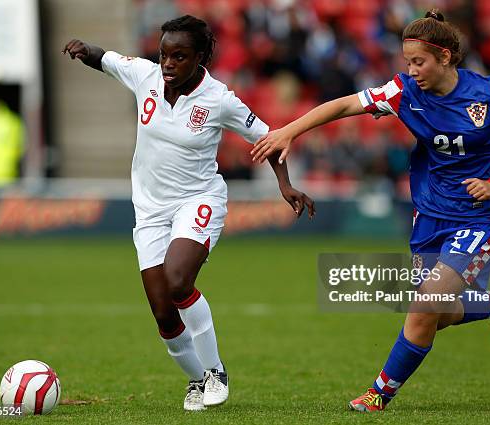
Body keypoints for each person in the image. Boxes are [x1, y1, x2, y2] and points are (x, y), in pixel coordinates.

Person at [251, 9, 490, 412]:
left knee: (423, 308)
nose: (411, 69)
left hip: (482, 218)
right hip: (431, 217)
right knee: (433, 315)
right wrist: (289, 131)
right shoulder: (404, 91)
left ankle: (379, 393)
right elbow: (343, 106)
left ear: (445, 58)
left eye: (418, 61)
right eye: (407, 61)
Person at [62, 15, 315, 411]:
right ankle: (196, 380)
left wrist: (284, 184)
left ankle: (215, 372)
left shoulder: (219, 100)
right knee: (163, 312)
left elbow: (267, 137)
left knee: (178, 280)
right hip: (149, 210)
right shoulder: (144, 76)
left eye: (179, 56)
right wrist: (83, 50)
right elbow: (104, 58)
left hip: (197, 200)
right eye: (164, 54)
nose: (167, 64)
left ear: (200, 57)